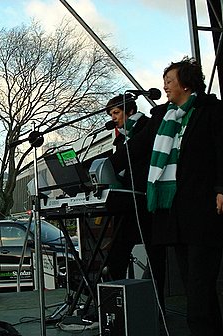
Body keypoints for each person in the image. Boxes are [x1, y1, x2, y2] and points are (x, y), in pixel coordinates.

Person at [110, 57, 223, 336]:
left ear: (185, 83)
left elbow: (222, 151)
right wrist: (94, 167)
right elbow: (137, 146)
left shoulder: (211, 111)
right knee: (194, 283)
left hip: (204, 209)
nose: (165, 87)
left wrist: (222, 187)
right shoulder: (163, 116)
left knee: (199, 282)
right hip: (176, 212)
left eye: (169, 81)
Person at [104, 94, 166, 312]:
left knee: (156, 256)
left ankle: (158, 308)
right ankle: (113, 308)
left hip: (146, 200)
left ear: (129, 110)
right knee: (116, 256)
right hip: (127, 203)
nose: (114, 118)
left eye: (116, 113)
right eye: (111, 114)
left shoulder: (145, 126)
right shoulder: (120, 137)